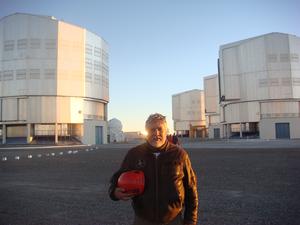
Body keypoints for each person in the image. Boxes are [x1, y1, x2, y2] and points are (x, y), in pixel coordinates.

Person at [109, 113, 198, 225]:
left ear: (166, 131)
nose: (156, 133)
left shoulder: (179, 155)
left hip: (173, 220)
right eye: (152, 129)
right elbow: (116, 179)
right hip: (142, 220)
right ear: (146, 131)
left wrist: (191, 221)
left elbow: (191, 190)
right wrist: (114, 192)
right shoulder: (134, 154)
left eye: (160, 129)